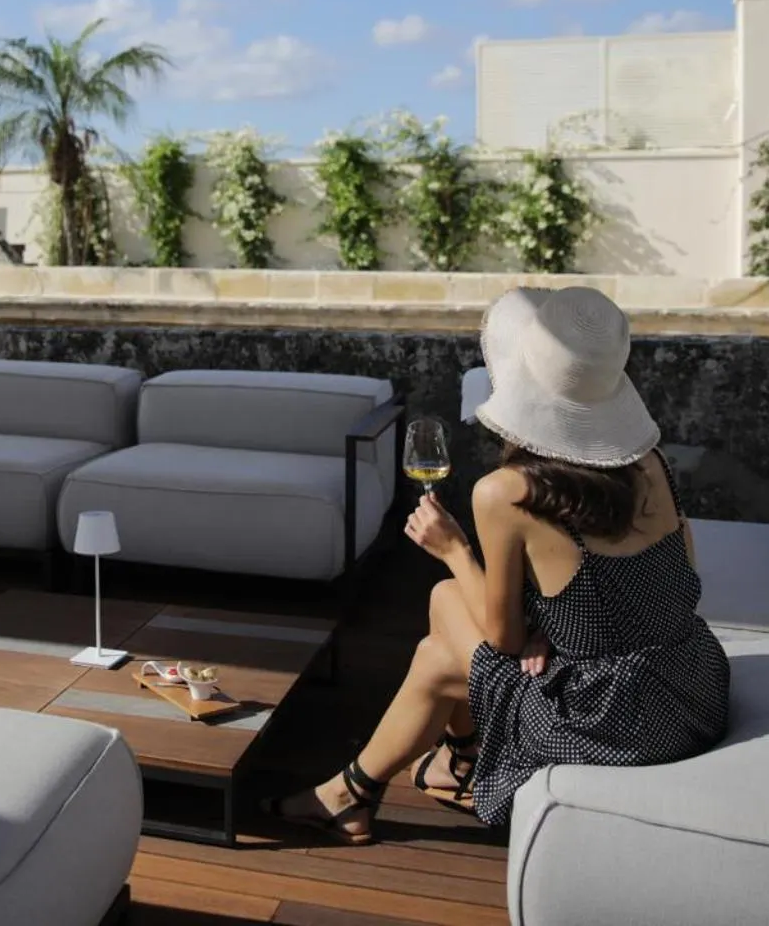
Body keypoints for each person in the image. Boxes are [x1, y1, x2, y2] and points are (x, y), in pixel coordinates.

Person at [267, 285, 730, 843]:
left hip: (609, 721)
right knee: (444, 601)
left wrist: (454, 550)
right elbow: (680, 578)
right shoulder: (649, 461)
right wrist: (557, 627)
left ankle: (357, 791)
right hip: (690, 686)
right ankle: (440, 767)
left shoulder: (507, 492)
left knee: (438, 652)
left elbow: (504, 641)